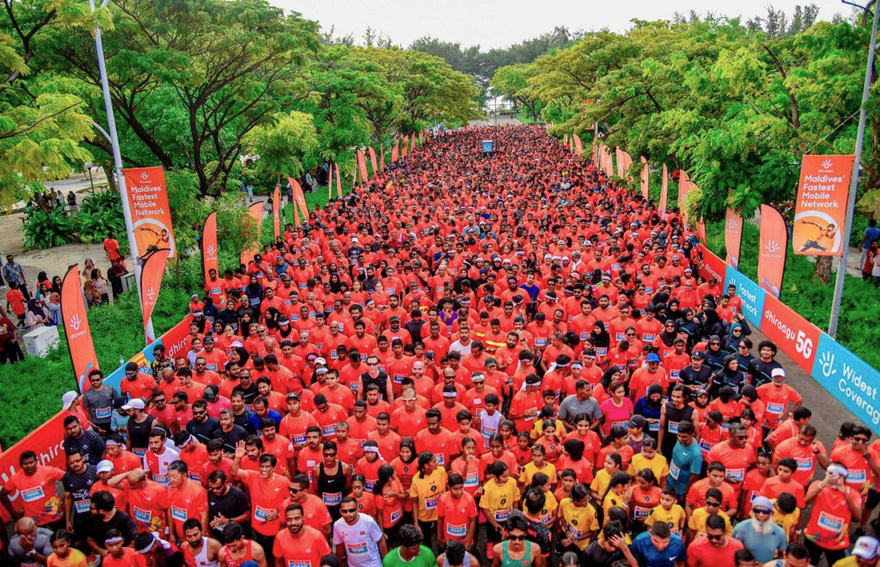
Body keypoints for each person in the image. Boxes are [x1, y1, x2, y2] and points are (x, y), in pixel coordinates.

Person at [731, 496, 788, 563]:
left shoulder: (779, 532)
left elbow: (782, 557)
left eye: (765, 512)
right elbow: (733, 551)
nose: (761, 515)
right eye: (757, 511)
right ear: (753, 512)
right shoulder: (741, 528)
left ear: (772, 513)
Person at [333, 496, 386, 567]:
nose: (348, 514)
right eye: (344, 511)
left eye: (351, 510)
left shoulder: (368, 521)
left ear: (357, 509)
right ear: (340, 511)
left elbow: (381, 540)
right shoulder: (337, 525)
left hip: (373, 564)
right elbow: (339, 546)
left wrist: (386, 562)